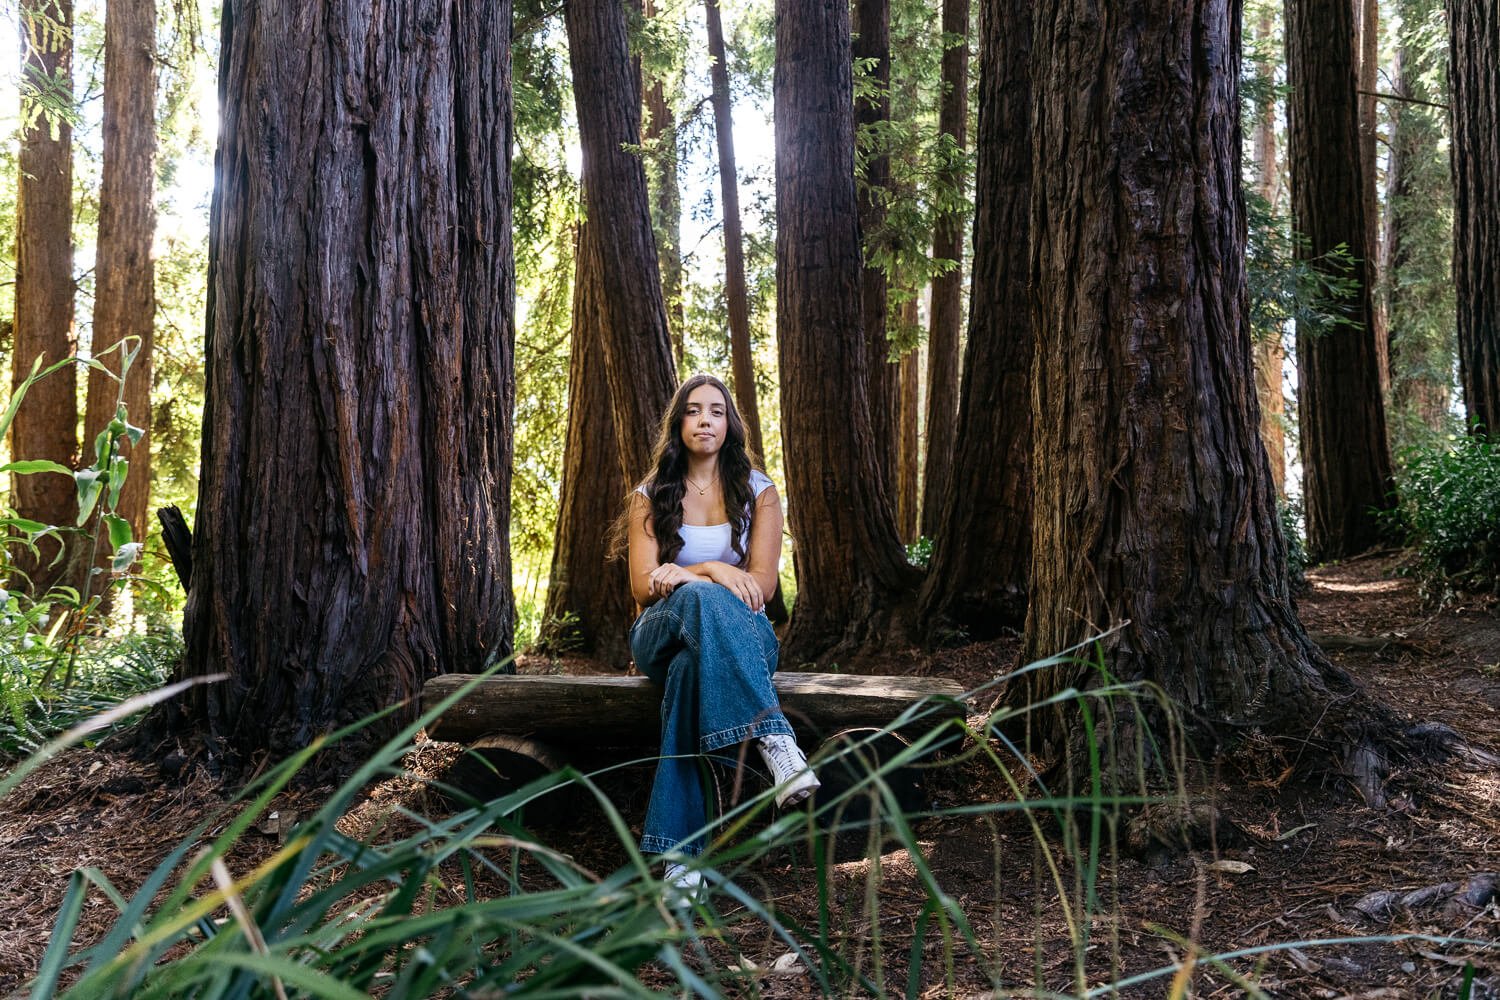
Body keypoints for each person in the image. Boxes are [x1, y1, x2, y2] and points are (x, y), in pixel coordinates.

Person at [618, 374, 819, 901]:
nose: (704, 420)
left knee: (690, 675)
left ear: (729, 424)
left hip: (742, 638)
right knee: (700, 601)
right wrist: (712, 569)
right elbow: (644, 586)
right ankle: (775, 738)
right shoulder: (650, 495)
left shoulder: (759, 492)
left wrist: (689, 569)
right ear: (678, 423)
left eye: (715, 411)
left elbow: (762, 589)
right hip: (661, 631)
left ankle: (680, 865)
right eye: (693, 411)